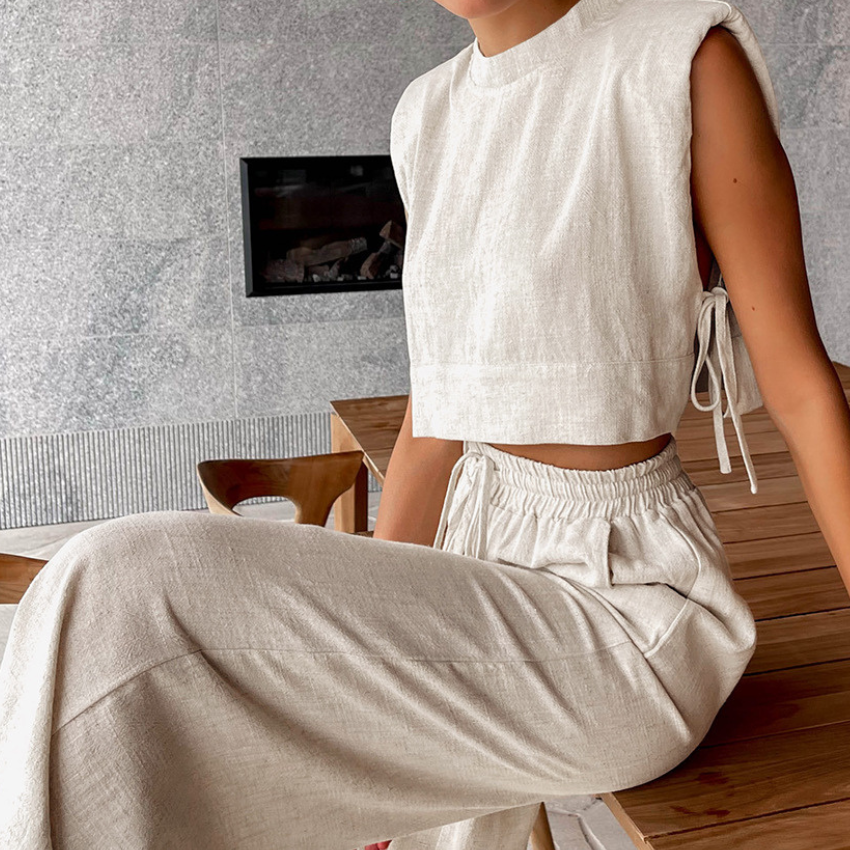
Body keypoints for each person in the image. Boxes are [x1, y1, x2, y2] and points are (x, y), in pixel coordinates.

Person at [1, 1, 849, 849]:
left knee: (120, 582)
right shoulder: (427, 111)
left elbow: (802, 388)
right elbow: (433, 422)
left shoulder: (678, 58)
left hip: (624, 609)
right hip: (472, 562)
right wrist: (371, 672)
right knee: (100, 629)